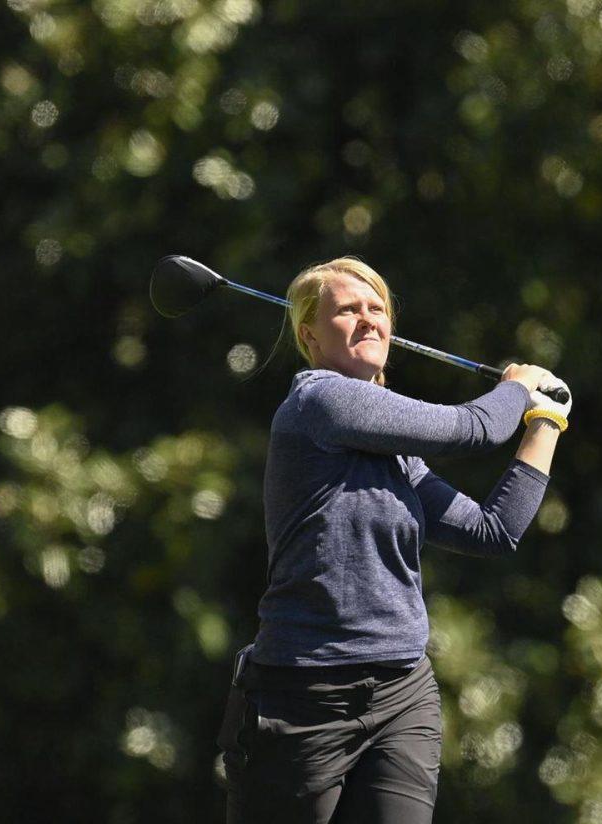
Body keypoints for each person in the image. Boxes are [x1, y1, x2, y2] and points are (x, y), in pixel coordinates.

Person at [217, 256, 572, 823]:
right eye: (347, 310)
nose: (366, 320)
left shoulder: (396, 454)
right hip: (303, 698)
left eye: (376, 309)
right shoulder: (319, 401)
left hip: (402, 694)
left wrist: (546, 423)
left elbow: (492, 531)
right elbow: (471, 428)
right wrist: (518, 387)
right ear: (309, 335)